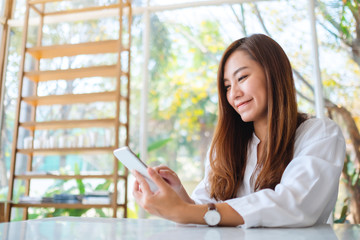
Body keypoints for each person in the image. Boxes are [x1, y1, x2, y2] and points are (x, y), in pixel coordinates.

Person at [132, 33, 346, 228]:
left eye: (242, 78)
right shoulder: (225, 148)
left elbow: (293, 204)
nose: (233, 94)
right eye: (227, 86)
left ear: (273, 73)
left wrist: (185, 211)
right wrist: (180, 198)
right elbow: (205, 212)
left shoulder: (321, 134)